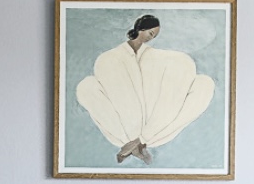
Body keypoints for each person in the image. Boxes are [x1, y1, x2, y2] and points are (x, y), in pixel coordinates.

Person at [75, 15, 215, 165]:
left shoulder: (156, 58)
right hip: (124, 127)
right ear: (141, 29)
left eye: (154, 36)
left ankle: (137, 142)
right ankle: (135, 143)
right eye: (151, 33)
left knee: (205, 85)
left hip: (154, 129)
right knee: (85, 87)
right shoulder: (110, 58)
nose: (151, 38)